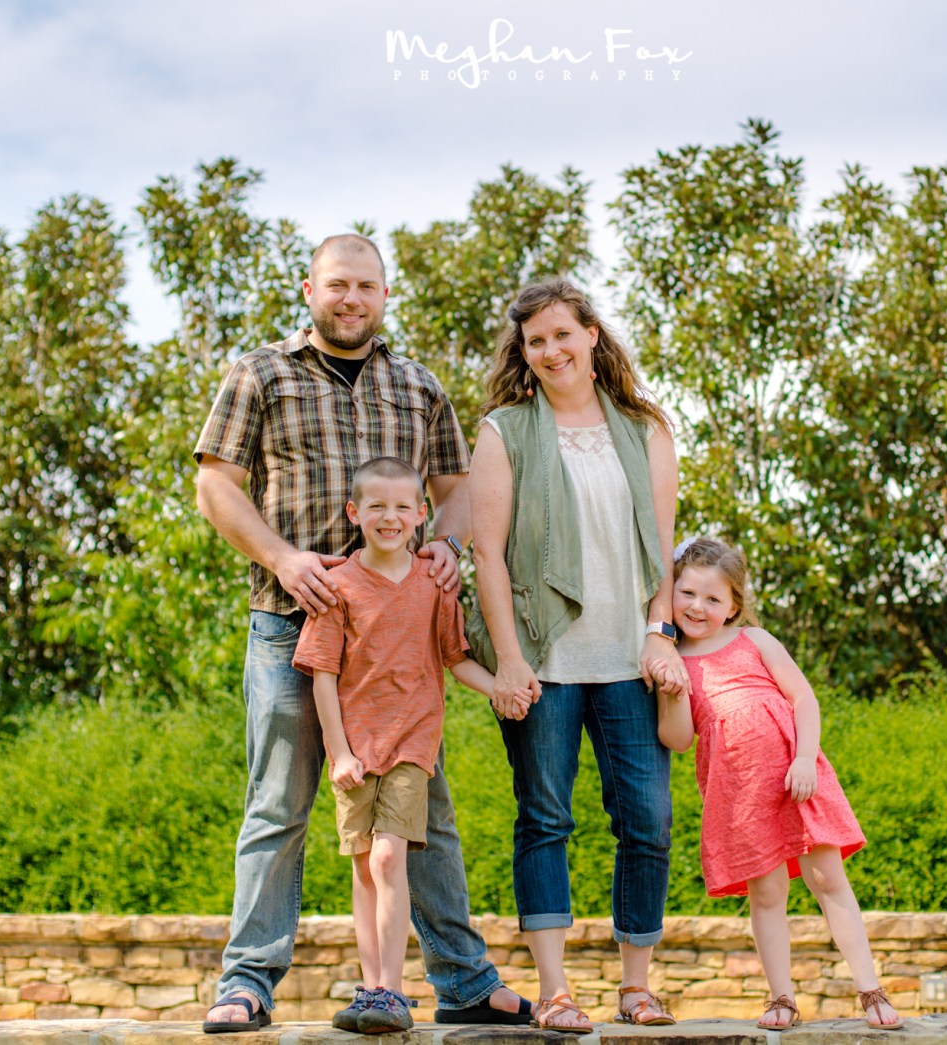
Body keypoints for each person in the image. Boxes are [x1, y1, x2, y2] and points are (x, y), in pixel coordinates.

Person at [193, 234, 531, 1033]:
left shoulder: (418, 385)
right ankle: (248, 983)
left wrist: (446, 543)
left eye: (367, 286)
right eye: (338, 284)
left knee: (426, 815)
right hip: (291, 624)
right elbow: (216, 484)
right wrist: (282, 558)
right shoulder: (260, 373)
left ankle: (463, 981)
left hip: (398, 639)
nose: (352, 299)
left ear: (384, 295)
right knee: (278, 805)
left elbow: (455, 487)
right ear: (310, 289)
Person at [465, 277, 688, 1032]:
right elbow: (487, 555)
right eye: (536, 341)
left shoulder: (645, 429)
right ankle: (556, 992)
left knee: (648, 821)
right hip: (543, 661)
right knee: (545, 819)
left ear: (591, 334)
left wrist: (660, 632)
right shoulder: (503, 432)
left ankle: (636, 987)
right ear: (524, 353)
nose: (551, 350)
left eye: (563, 333)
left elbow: (662, 550)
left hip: (630, 659)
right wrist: (508, 659)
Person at [655, 537, 902, 1031]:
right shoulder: (673, 659)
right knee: (767, 894)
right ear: (671, 593)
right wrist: (674, 691)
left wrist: (806, 758)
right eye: (687, 594)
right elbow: (677, 740)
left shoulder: (756, 640)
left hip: (795, 778)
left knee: (828, 879)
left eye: (713, 598)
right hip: (739, 793)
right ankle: (781, 998)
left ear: (733, 606)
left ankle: (870, 988)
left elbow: (804, 699)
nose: (698, 607)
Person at [294, 457, 499, 1033]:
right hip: (356, 749)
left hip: (413, 742)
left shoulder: (434, 584)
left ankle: (393, 990)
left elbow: (456, 659)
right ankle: (372, 990)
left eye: (403, 506)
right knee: (365, 867)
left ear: (421, 513)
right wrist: (339, 753)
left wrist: (502, 686)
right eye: (377, 506)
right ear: (354, 513)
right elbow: (323, 676)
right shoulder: (337, 586)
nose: (391, 517)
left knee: (388, 857)